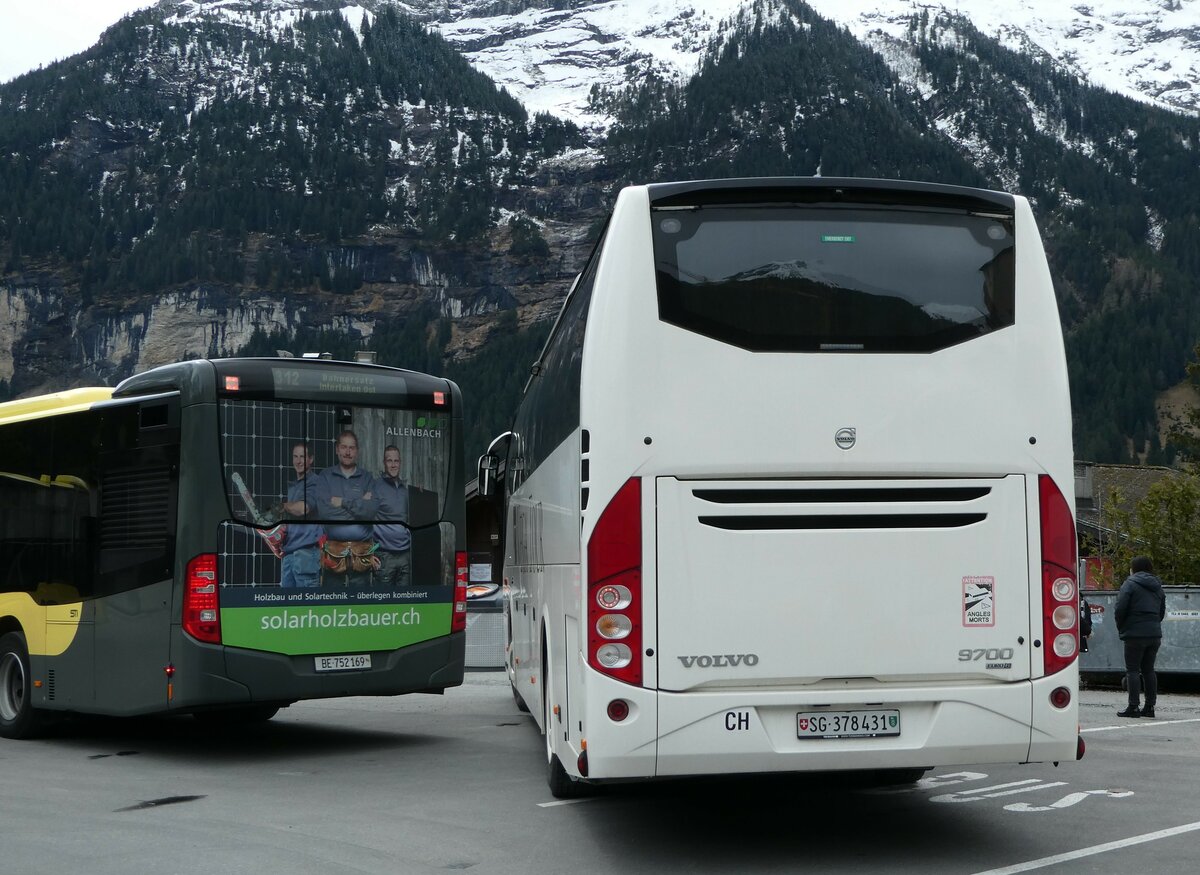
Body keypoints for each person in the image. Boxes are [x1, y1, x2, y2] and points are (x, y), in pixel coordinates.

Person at [315, 430, 380, 586]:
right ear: (337, 449)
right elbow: (324, 512)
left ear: (357, 451)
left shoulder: (367, 478)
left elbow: (371, 511)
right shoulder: (325, 476)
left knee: (361, 605)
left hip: (362, 554)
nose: (348, 452)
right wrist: (360, 502)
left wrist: (343, 502)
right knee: (332, 606)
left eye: (352, 448)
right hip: (333, 554)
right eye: (344, 447)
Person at [1114, 556, 1166, 718]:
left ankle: (1133, 707)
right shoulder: (1158, 586)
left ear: (1133, 568)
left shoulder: (1130, 584)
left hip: (1134, 633)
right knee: (1149, 670)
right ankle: (1150, 707)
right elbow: (1161, 611)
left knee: (1132, 670)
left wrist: (1122, 626)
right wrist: (1153, 624)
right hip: (1153, 633)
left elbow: (1120, 609)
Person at [279, 441, 321, 588]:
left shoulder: (316, 483)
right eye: (295, 456)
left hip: (306, 555)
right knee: (287, 608)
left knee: (307, 606)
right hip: (289, 554)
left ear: (310, 459)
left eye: (302, 457)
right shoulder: (294, 487)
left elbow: (303, 509)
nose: (298, 461)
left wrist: (282, 506)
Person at [373, 445, 411, 588]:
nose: (393, 464)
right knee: (383, 603)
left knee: (405, 602)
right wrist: (368, 554)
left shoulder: (405, 491)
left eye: (396, 461)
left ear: (400, 462)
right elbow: (363, 520)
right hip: (384, 556)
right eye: (390, 461)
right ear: (384, 462)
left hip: (405, 555)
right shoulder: (375, 487)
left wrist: (420, 497)